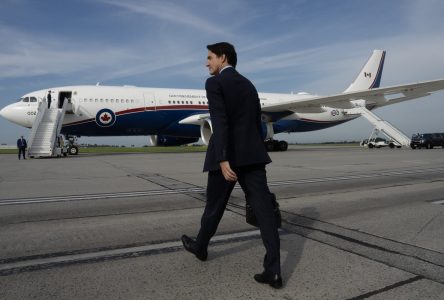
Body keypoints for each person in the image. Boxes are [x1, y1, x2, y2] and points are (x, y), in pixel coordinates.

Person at [181, 42, 282, 288]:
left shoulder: (214, 83)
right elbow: (258, 121)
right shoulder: (248, 84)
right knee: (264, 211)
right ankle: (274, 271)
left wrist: (224, 158)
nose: (207, 63)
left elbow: (220, 121)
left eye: (210, 57)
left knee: (214, 206)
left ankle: (201, 247)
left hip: (227, 157)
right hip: (254, 156)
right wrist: (256, 150)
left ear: (223, 58)